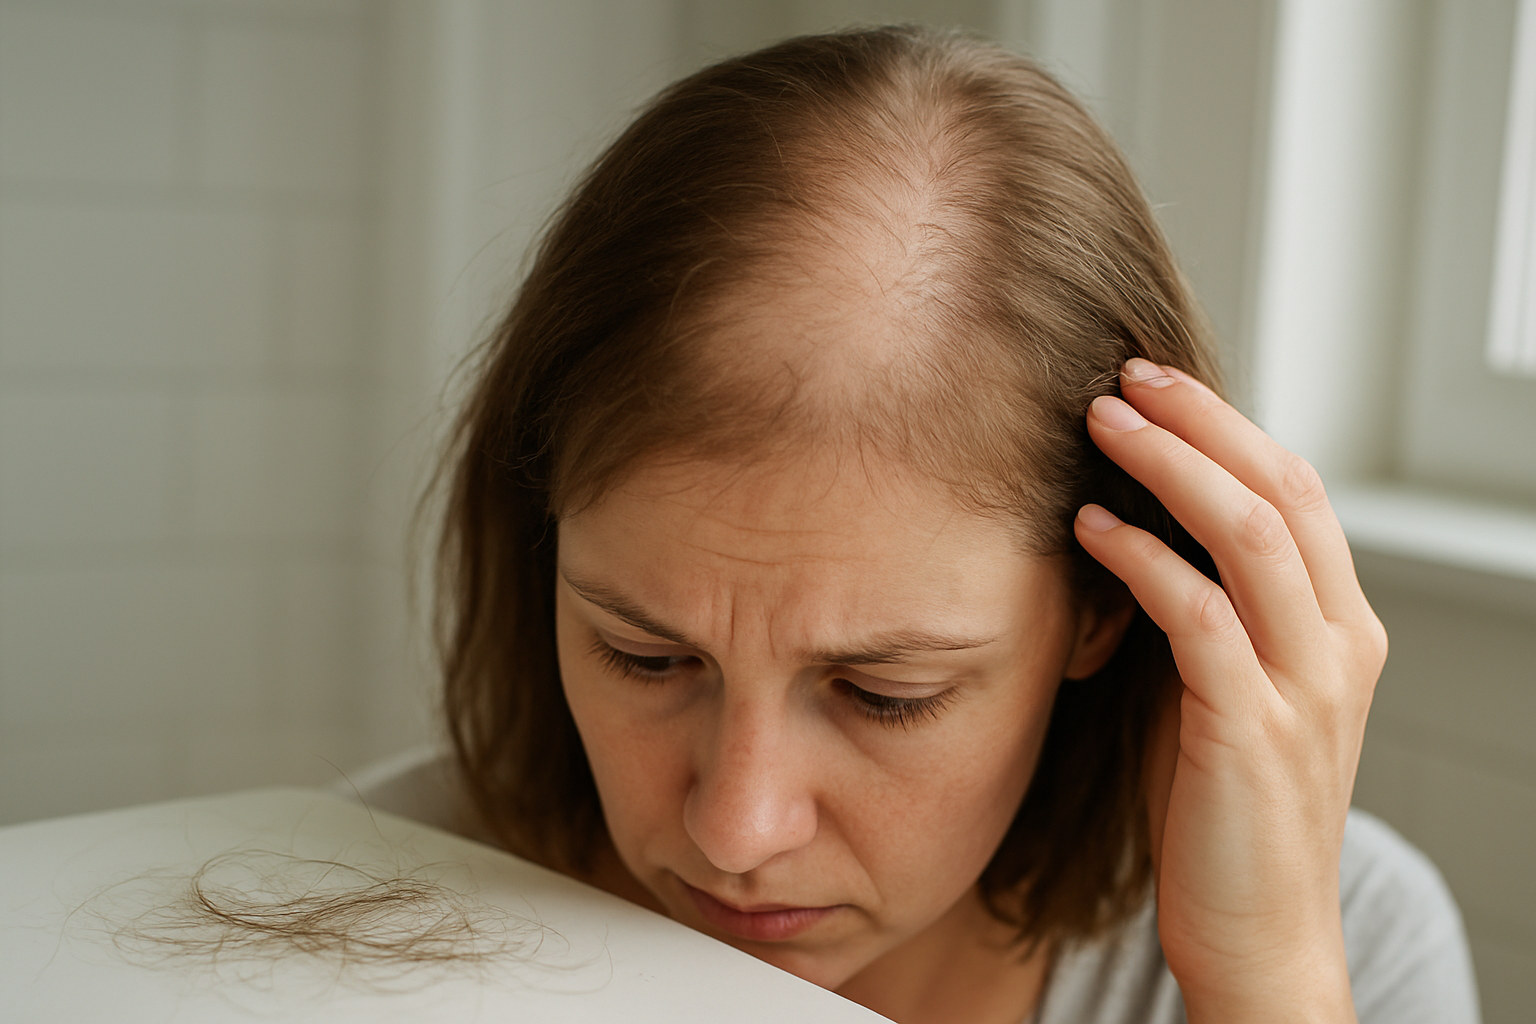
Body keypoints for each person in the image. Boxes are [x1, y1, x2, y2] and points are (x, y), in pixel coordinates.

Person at [376, 25, 1480, 1024]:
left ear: (1103, 609)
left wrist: (1262, 981)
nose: (738, 828)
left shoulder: (1350, 941)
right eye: (644, 655)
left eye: (884, 693)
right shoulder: (365, 893)